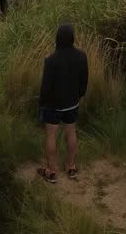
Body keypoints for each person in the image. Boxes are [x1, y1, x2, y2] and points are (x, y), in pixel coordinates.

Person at [37, 22, 88, 184]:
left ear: (57, 38)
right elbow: (84, 79)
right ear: (72, 38)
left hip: (53, 104)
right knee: (71, 132)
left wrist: (42, 103)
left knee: (51, 135)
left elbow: (45, 87)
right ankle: (71, 166)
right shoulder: (81, 56)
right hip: (72, 102)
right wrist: (80, 95)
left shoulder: (51, 60)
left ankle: (51, 171)